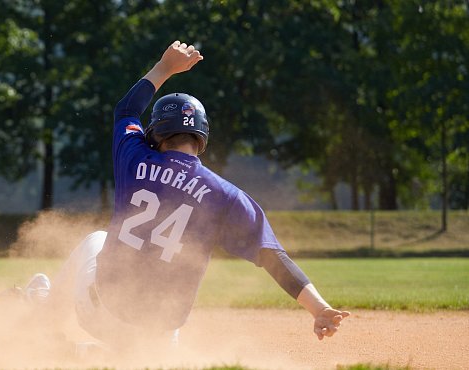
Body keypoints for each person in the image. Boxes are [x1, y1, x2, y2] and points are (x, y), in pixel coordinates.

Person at [31, 40, 350, 350]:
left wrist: (164, 67)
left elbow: (126, 110)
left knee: (95, 239)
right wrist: (319, 308)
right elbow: (272, 256)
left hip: (100, 312)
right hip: (157, 335)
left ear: (155, 133)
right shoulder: (224, 194)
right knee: (152, 342)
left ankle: (46, 322)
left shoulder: (134, 157)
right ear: (202, 137)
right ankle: (102, 354)